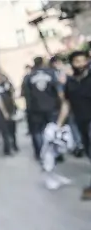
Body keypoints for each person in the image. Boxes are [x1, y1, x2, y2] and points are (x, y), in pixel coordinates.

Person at [57, 50, 91, 200]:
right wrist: (59, 124)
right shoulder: (69, 83)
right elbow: (66, 104)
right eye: (77, 62)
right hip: (80, 121)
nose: (81, 64)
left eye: (83, 61)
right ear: (72, 64)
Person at [22, 56, 64, 159]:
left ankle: (42, 153)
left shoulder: (28, 77)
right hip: (51, 107)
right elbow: (58, 91)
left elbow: (26, 95)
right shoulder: (51, 73)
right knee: (54, 130)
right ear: (43, 62)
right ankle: (57, 153)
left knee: (38, 132)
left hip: (35, 109)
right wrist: (61, 104)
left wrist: (29, 109)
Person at [0, 69, 19, 152]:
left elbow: (13, 94)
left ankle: (14, 145)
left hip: (11, 109)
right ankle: (7, 149)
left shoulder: (7, 84)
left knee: (13, 129)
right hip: (1, 112)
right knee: (5, 131)